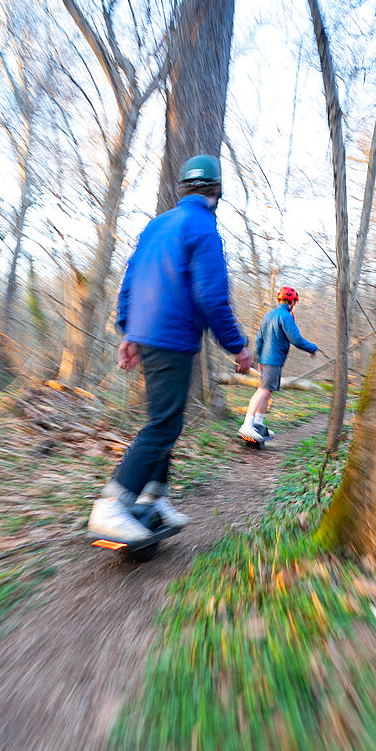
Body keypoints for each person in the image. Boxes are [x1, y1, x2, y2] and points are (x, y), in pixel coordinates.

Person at [89, 154, 252, 544]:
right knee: (163, 424)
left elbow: (130, 278)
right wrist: (238, 346)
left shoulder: (157, 225)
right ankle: (111, 504)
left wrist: (128, 331)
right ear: (217, 190)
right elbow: (211, 297)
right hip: (172, 336)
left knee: (165, 419)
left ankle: (152, 497)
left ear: (183, 188)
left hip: (147, 335)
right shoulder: (204, 229)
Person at [239, 286, 318, 444]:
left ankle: (258, 423)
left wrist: (260, 359)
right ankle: (247, 424)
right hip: (273, 360)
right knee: (263, 391)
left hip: (267, 360)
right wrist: (312, 348)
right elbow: (296, 339)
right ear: (292, 302)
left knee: (267, 392)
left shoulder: (268, 315)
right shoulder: (286, 316)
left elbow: (259, 339)